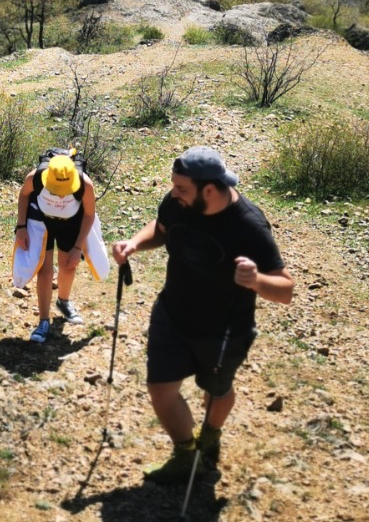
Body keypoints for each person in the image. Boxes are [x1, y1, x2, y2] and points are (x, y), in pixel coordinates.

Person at [111, 147, 293, 485]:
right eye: (174, 186)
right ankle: (186, 453)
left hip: (224, 329)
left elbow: (285, 289)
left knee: (216, 393)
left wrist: (257, 281)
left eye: (181, 188)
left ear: (209, 190)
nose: (173, 193)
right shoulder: (178, 202)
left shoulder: (248, 226)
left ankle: (211, 435)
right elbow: (163, 229)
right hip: (173, 311)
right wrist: (134, 243)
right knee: (160, 389)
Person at [15, 153, 98, 339]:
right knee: (44, 270)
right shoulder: (35, 177)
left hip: (70, 222)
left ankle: (64, 302)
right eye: (55, 189)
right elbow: (24, 194)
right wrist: (21, 226)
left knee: (68, 265)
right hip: (41, 221)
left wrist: (78, 248)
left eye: (65, 189)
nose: (60, 194)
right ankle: (43, 321)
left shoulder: (85, 185)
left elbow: (89, 215)